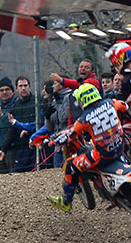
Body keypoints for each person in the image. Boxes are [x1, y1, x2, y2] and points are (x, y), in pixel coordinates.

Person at [46, 84, 124, 212]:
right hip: (120, 147)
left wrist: (52, 142)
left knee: (71, 165)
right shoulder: (111, 102)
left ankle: (66, 202)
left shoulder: (85, 118)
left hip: (103, 155)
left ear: (83, 100)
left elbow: (69, 135)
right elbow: (124, 106)